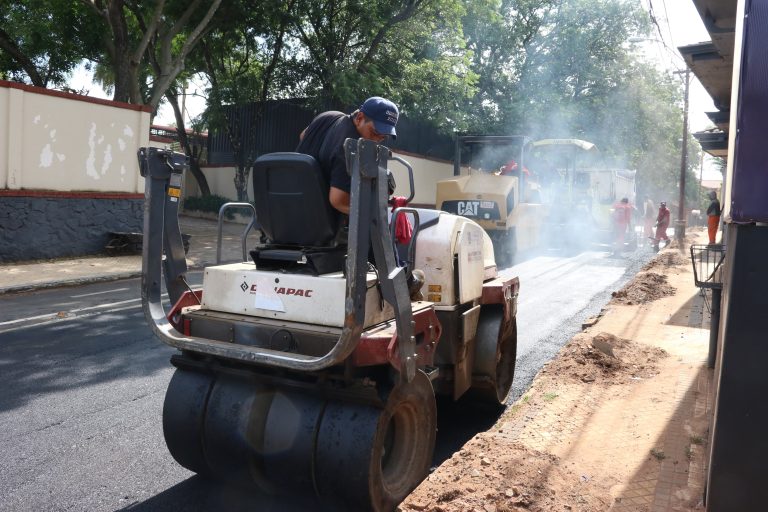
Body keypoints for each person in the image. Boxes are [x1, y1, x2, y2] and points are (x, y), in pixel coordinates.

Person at [295, 96, 399, 214]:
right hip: (314, 216)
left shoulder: (330, 115)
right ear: (360, 118)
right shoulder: (350, 147)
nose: (376, 141)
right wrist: (373, 209)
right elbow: (338, 201)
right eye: (374, 132)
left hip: (288, 197)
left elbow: (303, 135)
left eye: (383, 137)